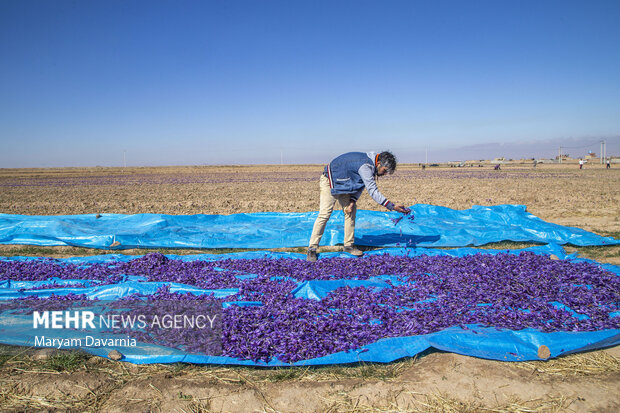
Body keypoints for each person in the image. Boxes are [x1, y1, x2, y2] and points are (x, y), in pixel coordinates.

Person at [307, 151, 408, 262]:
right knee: (325, 214)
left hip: (344, 184)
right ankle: (312, 248)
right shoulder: (366, 166)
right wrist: (392, 206)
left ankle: (348, 246)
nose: (384, 174)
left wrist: (352, 201)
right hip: (330, 180)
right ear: (378, 163)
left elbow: (360, 185)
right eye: (384, 170)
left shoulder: (370, 166)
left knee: (351, 211)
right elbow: (372, 190)